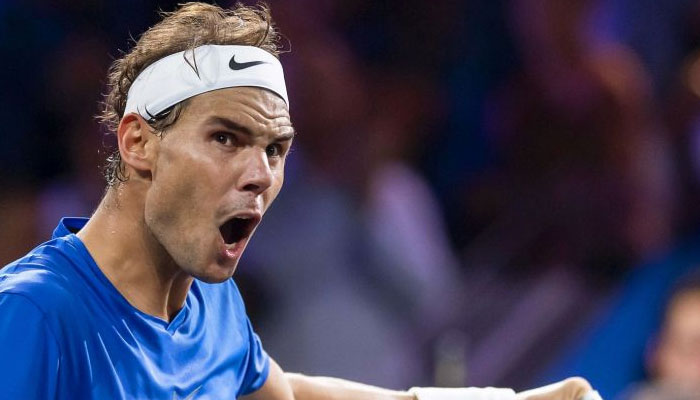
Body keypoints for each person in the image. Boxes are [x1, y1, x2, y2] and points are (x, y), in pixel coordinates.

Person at [0, 3, 600, 400]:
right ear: (138, 142)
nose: (260, 174)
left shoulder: (209, 301)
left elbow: (285, 393)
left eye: (275, 149)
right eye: (225, 138)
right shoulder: (34, 313)